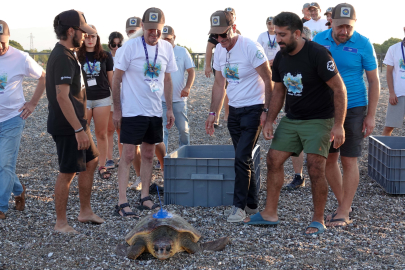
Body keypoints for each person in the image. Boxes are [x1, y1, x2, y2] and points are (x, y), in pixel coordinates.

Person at [244, 12, 347, 236]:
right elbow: (279, 90)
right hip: (292, 118)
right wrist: (270, 119)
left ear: (297, 33)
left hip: (319, 119)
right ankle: (270, 212)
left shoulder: (318, 54)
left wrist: (338, 125)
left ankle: (318, 219)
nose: (277, 39)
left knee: (315, 167)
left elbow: (339, 89)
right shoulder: (281, 56)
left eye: (282, 34)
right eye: (275, 33)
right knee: (273, 159)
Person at [314, 3, 380, 227]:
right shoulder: (318, 40)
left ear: (355, 24)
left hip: (354, 107)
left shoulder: (363, 43)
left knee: (349, 159)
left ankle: (343, 212)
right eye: (340, 26)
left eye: (348, 28)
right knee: (330, 158)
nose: (343, 32)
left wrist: (370, 116)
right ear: (330, 21)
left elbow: (373, 81)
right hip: (325, 108)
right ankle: (344, 204)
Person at [205, 10, 273, 223]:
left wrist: (267, 112)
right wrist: (212, 113)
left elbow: (268, 79)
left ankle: (239, 207)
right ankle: (252, 204)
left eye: (223, 35)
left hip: (254, 108)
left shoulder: (250, 47)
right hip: (234, 110)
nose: (220, 39)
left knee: (241, 157)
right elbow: (219, 84)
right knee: (243, 157)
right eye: (215, 36)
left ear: (233, 28)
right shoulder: (219, 51)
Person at [112, 7, 177, 215]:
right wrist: (117, 110)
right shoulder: (130, 47)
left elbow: (167, 79)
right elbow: (116, 79)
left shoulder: (166, 48)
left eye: (157, 30)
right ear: (143, 27)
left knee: (149, 154)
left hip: (154, 111)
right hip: (132, 111)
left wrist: (169, 109)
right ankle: (122, 201)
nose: (154, 34)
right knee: (129, 154)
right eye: (150, 30)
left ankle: (145, 196)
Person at [46, 10, 105, 233]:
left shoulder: (68, 53)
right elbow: (61, 96)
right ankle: (60, 223)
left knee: (92, 160)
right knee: (67, 171)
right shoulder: (62, 57)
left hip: (77, 124)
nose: (84, 36)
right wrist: (78, 128)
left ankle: (85, 211)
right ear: (71, 31)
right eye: (82, 31)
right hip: (68, 126)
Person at [0, 20, 46, 220]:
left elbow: (44, 77)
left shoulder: (21, 58)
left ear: (8, 39)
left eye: (2, 42)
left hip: (12, 118)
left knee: (4, 164)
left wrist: (33, 103)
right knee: (3, 164)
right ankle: (18, 190)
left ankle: (1, 207)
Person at [77, 25, 114, 179]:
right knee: (83, 132)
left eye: (93, 36)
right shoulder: (77, 55)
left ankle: (102, 165)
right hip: (84, 99)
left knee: (101, 133)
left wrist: (117, 101)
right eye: (87, 36)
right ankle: (81, 164)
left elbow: (111, 80)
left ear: (97, 37)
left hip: (102, 98)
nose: (90, 39)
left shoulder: (105, 56)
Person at [161, 25, 195, 153]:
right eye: (163, 39)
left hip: (179, 98)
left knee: (183, 129)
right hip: (161, 99)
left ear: (174, 38)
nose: (166, 42)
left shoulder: (182, 51)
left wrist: (188, 87)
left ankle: (184, 152)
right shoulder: (157, 51)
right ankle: (162, 158)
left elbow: (191, 71)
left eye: (168, 39)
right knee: (162, 130)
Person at [204, 7, 238, 127]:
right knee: (221, 86)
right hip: (221, 63)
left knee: (231, 88)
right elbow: (209, 48)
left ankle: (228, 114)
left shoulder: (238, 33)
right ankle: (217, 115)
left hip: (234, 65)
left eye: (232, 14)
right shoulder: (216, 30)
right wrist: (207, 65)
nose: (219, 38)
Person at [381, 27, 405, 136]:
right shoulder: (394, 49)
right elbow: (389, 72)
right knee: (389, 126)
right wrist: (391, 92)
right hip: (398, 94)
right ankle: (382, 153)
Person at [106, 31, 124, 170]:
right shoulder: (106, 58)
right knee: (110, 129)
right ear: (109, 44)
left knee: (121, 130)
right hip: (110, 95)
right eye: (114, 44)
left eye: (119, 44)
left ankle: (123, 157)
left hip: (124, 95)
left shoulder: (124, 56)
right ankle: (109, 158)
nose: (116, 47)